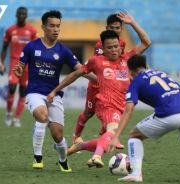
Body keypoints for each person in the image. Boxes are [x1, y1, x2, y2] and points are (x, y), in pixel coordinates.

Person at [47, 11, 151, 168]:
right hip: (106, 104)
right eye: (109, 48)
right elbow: (76, 74)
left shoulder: (127, 59)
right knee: (112, 132)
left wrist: (133, 22)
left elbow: (146, 42)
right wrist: (55, 90)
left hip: (121, 106)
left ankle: (79, 146)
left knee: (107, 141)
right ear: (103, 47)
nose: (114, 50)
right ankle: (96, 157)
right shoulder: (97, 61)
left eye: (116, 46)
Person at [108, 54, 180, 183]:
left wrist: (116, 136)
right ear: (145, 66)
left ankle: (136, 173)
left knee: (135, 135)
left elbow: (129, 109)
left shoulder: (136, 81)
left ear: (131, 71)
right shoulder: (161, 74)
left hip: (169, 114)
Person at [13, 10, 95, 172]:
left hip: (53, 95)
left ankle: (63, 160)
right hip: (34, 92)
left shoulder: (63, 51)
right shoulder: (31, 46)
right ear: (44, 27)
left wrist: (99, 80)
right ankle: (38, 157)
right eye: (52, 26)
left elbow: (81, 69)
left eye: (58, 26)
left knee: (58, 136)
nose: (56, 29)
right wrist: (18, 71)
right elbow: (20, 67)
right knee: (42, 116)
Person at [72, 14, 127, 149]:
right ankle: (76, 136)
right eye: (112, 27)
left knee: (112, 113)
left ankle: (107, 137)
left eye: (117, 28)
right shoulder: (100, 45)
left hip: (113, 86)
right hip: (97, 84)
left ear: (121, 29)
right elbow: (96, 64)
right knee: (88, 112)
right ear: (106, 28)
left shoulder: (123, 43)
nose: (115, 30)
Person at [1, 6, 37, 127]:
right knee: (11, 88)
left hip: (27, 65)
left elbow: (35, 49)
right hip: (14, 63)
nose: (21, 16)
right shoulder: (10, 30)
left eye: (24, 14)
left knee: (22, 92)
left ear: (26, 16)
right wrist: (1, 63)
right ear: (16, 15)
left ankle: (17, 118)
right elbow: (4, 48)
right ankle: (8, 113)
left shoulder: (32, 31)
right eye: (20, 14)